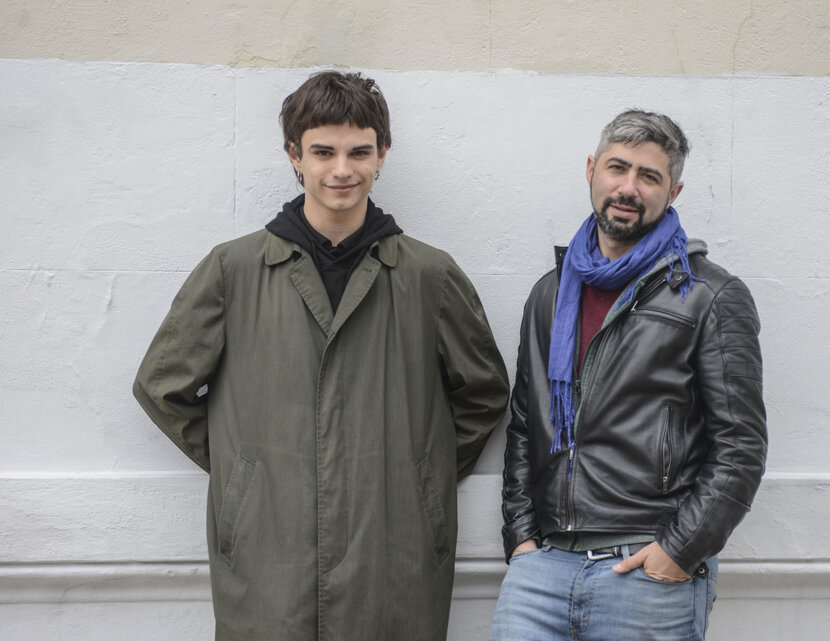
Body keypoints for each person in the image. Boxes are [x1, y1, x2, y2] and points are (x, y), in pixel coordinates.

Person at [133, 71, 509, 641]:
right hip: (268, 553)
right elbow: (163, 386)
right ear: (295, 155)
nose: (342, 170)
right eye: (323, 152)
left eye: (359, 152)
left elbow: (484, 392)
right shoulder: (234, 270)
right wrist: (245, 474)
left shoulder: (429, 275)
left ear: (382, 154)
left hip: (393, 553)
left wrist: (417, 480)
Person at [490, 110, 767, 641]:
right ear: (591, 170)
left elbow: (740, 446)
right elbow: (525, 425)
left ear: (673, 191)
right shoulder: (551, 292)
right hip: (542, 570)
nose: (628, 187)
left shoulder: (709, 296)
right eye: (617, 167)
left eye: (649, 176)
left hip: (644, 571)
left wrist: (678, 551)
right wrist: (522, 540)